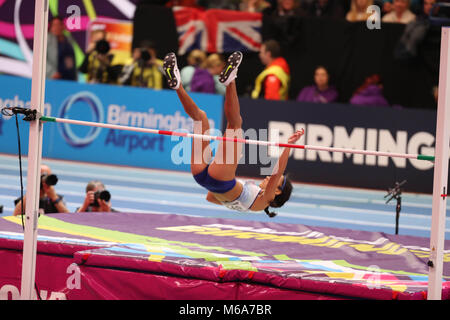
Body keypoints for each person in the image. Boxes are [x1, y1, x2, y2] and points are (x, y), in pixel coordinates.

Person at [162, 51, 304, 217]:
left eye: (274, 183)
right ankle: (177, 84)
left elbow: (277, 172)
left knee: (235, 124)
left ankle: (231, 81)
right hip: (203, 178)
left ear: (277, 192)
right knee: (200, 118)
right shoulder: (254, 203)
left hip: (221, 181)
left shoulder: (266, 199)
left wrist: (289, 145)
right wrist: (227, 191)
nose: (267, 177)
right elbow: (211, 198)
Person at [46, 16, 77, 81]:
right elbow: (41, 60)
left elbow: (72, 59)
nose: (57, 27)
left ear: (63, 26)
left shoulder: (68, 39)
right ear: (51, 27)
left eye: (59, 24)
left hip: (69, 78)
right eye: (54, 25)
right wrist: (52, 73)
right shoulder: (46, 40)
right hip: (54, 78)